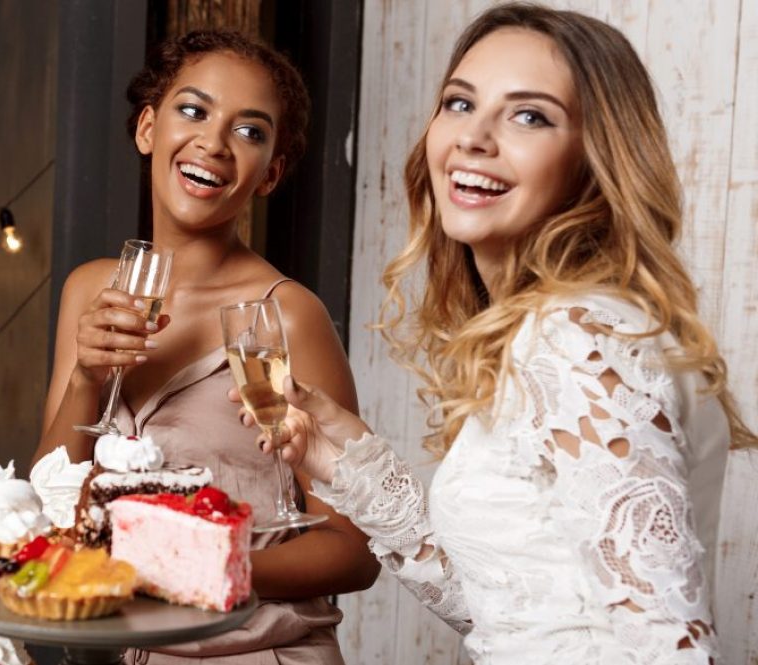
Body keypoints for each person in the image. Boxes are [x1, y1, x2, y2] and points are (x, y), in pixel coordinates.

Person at [242, 4, 757, 663]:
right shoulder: (551, 330)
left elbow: (673, 650)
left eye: (529, 115)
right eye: (460, 103)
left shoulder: (578, 338)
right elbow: (510, 611)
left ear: (595, 160)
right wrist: (342, 458)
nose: (473, 138)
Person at [35, 30, 377, 664]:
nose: (213, 143)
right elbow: (53, 506)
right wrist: (87, 376)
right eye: (193, 110)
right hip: (115, 650)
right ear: (147, 129)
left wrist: (204, 562)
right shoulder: (91, 289)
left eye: (250, 131)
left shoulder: (288, 316)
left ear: (270, 172)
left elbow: (354, 550)